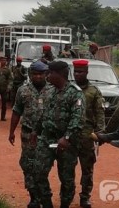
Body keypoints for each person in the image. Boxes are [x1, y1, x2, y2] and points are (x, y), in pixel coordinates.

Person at [34, 61, 85, 208]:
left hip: (67, 143)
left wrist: (67, 137)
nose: (47, 75)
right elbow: (43, 113)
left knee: (67, 179)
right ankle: (46, 203)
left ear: (60, 74)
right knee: (38, 172)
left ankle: (64, 204)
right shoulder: (49, 91)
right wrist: (35, 131)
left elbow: (78, 119)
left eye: (50, 73)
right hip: (47, 138)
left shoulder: (75, 93)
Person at [8, 60, 53, 208]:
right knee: (28, 165)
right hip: (27, 134)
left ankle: (45, 196)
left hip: (47, 135)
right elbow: (16, 111)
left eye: (41, 74)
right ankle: (34, 197)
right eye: (35, 74)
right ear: (30, 74)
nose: (38, 77)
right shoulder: (23, 90)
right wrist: (11, 132)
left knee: (43, 167)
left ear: (46, 74)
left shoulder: (53, 90)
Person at [73, 59, 105, 208]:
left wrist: (100, 132)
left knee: (87, 169)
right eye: (75, 72)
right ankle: (67, 193)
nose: (77, 74)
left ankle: (85, 197)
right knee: (67, 167)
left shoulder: (93, 91)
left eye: (80, 72)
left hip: (87, 135)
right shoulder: (70, 89)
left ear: (86, 72)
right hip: (71, 135)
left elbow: (100, 113)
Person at [0, 56, 13, 121]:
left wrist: (9, 87)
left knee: (4, 103)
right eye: (2, 60)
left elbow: (11, 79)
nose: (3, 61)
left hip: (4, 87)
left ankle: (3, 117)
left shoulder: (7, 69)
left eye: (4, 60)